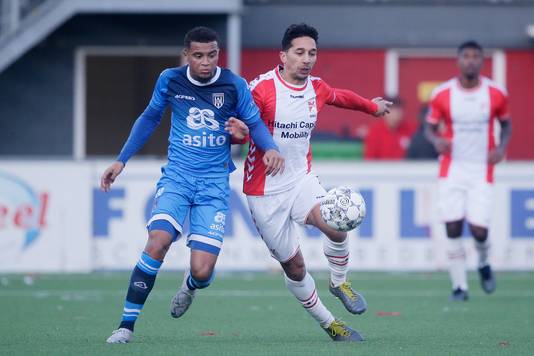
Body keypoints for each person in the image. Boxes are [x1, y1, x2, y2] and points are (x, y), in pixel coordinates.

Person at [102, 26, 284, 344]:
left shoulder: (233, 84)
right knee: (157, 240)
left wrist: (270, 148)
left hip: (213, 185)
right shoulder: (170, 79)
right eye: (198, 55)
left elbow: (253, 123)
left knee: (201, 271)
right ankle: (125, 326)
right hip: (178, 177)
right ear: (187, 55)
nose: (205, 62)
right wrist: (122, 159)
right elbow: (149, 118)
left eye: (211, 55)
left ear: (218, 54)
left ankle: (190, 285)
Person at [238, 23, 390, 341]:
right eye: (300, 52)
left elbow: (340, 97)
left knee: (336, 224)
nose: (307, 59)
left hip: (300, 179)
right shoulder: (261, 88)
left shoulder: (316, 88)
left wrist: (372, 107)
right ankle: (330, 324)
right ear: (283, 56)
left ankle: (339, 281)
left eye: (312, 53)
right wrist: (240, 133)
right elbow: (243, 121)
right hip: (264, 193)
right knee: (294, 268)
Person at [425, 40, 512, 301]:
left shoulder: (496, 93)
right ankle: (459, 287)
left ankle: (484, 262)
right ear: (458, 60)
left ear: (482, 61)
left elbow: (506, 125)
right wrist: (436, 140)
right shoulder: (442, 93)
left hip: (481, 170)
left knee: (479, 231)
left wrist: (501, 148)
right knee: (452, 226)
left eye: (476, 56)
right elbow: (429, 127)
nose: (471, 60)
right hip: (452, 168)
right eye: (467, 56)